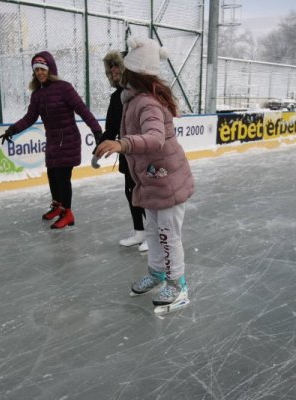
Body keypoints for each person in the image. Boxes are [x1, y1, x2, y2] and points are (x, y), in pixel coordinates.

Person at [94, 37, 194, 311]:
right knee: (152, 231)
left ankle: (178, 285)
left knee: (167, 234)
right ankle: (157, 274)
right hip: (153, 179)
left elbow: (154, 138)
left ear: (134, 72)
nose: (119, 73)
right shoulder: (132, 99)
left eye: (125, 69)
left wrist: (122, 144)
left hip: (167, 180)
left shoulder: (146, 102)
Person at [0, 51, 102, 229]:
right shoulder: (37, 94)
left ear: (50, 69)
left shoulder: (64, 88)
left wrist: (97, 131)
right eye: (36, 69)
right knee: (52, 175)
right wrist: (12, 129)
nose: (39, 72)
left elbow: (82, 109)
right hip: (53, 140)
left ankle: (67, 213)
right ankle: (57, 206)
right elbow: (30, 117)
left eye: (43, 69)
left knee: (62, 177)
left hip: (68, 139)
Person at [98, 50, 148, 253]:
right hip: (126, 154)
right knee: (130, 192)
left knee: (145, 194)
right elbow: (110, 129)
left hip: (143, 154)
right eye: (111, 71)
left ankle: (153, 235)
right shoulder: (115, 98)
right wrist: (99, 148)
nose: (114, 72)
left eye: (118, 68)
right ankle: (140, 231)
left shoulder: (140, 96)